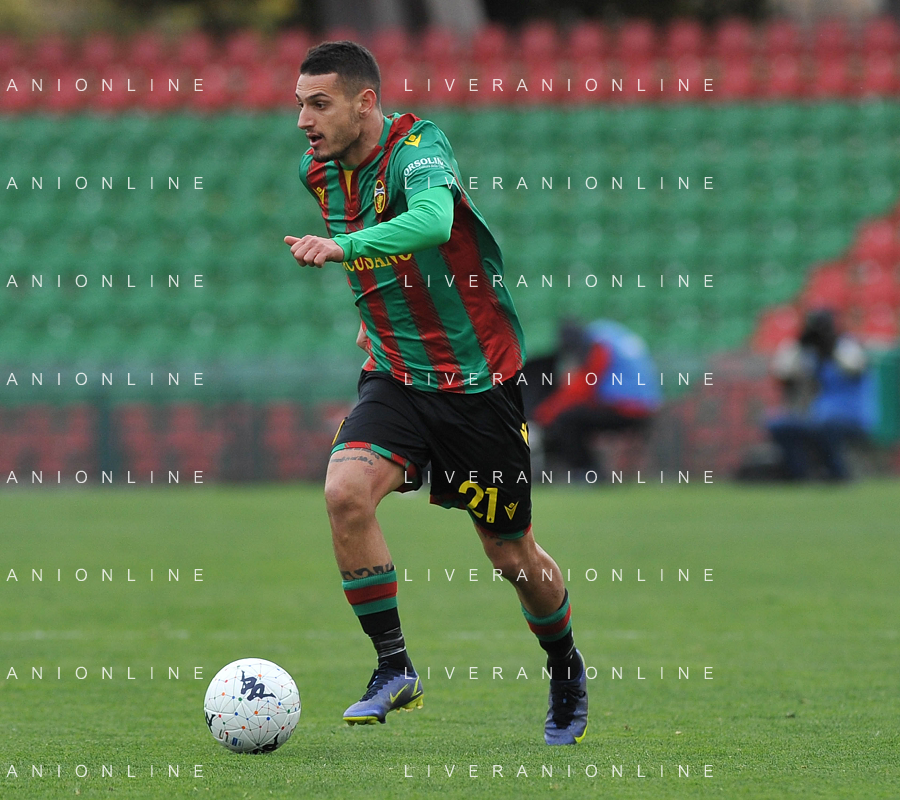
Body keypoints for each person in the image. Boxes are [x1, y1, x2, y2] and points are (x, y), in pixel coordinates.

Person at [283, 41, 586, 745]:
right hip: (394, 375)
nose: (303, 120)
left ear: (365, 102)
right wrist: (374, 319)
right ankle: (394, 667)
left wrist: (344, 249)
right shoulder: (318, 172)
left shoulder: (418, 147)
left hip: (475, 384)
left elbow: (433, 222)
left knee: (511, 557)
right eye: (299, 104)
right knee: (344, 493)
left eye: (319, 103)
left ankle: (564, 663)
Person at [532, 319, 662, 476]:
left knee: (567, 420)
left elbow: (583, 388)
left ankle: (587, 472)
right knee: (576, 417)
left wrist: (545, 413)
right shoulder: (611, 334)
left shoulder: (599, 344)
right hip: (647, 407)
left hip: (626, 409)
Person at [766, 309, 876, 481]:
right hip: (818, 417)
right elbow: (783, 375)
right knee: (779, 426)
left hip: (852, 417)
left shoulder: (847, 346)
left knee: (826, 428)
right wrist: (799, 345)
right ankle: (798, 475)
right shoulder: (809, 353)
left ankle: (838, 475)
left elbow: (854, 368)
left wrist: (831, 347)